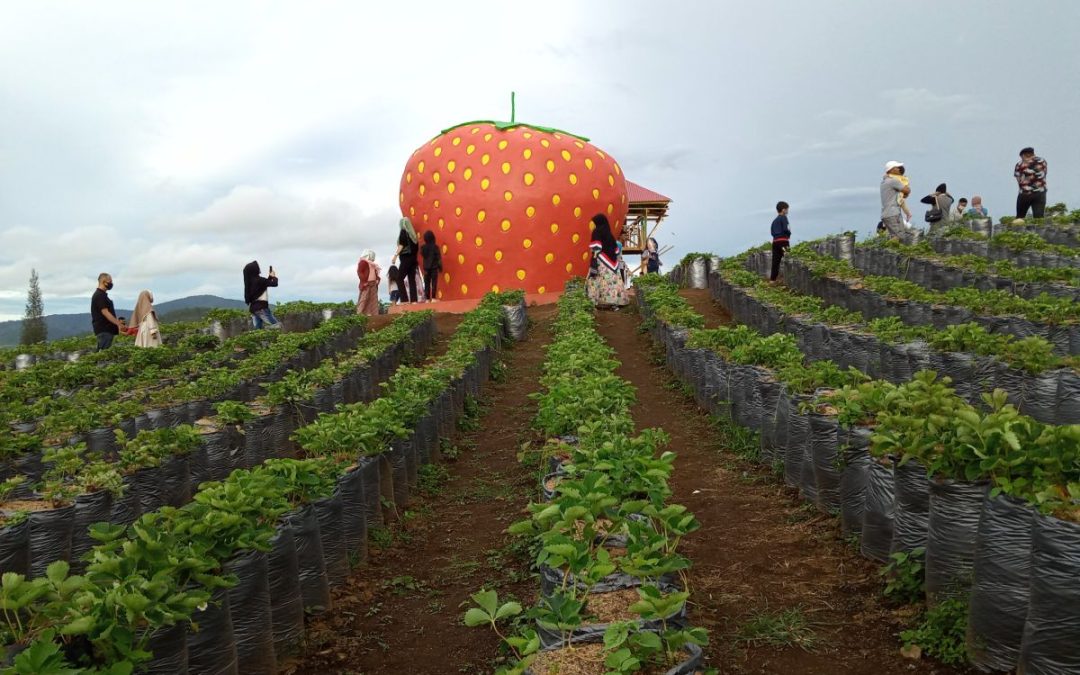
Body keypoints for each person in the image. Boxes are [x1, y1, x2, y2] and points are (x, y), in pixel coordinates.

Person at [585, 214, 628, 309]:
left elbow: (596, 247)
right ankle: (615, 303)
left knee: (595, 279)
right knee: (612, 282)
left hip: (601, 260)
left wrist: (594, 258)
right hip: (613, 263)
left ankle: (594, 301)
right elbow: (617, 251)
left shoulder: (596, 232)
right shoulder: (610, 235)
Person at [90, 273, 125, 351]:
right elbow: (105, 312)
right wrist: (118, 323)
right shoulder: (99, 295)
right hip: (104, 330)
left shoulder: (103, 295)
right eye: (110, 281)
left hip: (107, 330)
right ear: (103, 281)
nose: (111, 283)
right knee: (104, 354)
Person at [243, 261, 280, 329]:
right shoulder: (260, 280)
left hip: (253, 309)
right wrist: (274, 276)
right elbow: (274, 284)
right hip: (262, 308)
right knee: (277, 326)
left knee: (258, 329)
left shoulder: (250, 282)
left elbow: (263, 285)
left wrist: (270, 277)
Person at [880, 161, 912, 241]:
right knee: (899, 237)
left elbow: (901, 197)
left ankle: (889, 252)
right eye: (897, 168)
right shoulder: (893, 181)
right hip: (893, 213)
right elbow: (907, 191)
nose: (899, 169)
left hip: (887, 214)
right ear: (891, 169)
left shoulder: (884, 182)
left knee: (895, 237)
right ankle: (887, 250)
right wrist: (906, 184)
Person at [391, 217, 419, 303]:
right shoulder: (414, 236)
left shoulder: (403, 232)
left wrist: (395, 256)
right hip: (413, 260)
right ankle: (414, 301)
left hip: (406, 258)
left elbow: (401, 245)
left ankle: (404, 300)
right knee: (411, 280)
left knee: (399, 278)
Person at [1014, 147, 1047, 219]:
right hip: (1040, 193)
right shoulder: (1043, 161)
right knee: (1039, 218)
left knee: (1020, 217)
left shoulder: (1020, 165)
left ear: (1023, 155)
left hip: (1025, 194)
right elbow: (1044, 173)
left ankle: (1017, 230)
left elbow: (1018, 180)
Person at [770, 201, 791, 282]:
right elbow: (787, 229)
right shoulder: (784, 218)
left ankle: (772, 281)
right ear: (783, 210)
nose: (788, 211)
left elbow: (772, 232)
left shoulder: (774, 221)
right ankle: (789, 280)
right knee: (788, 258)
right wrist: (788, 235)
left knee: (775, 262)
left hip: (775, 242)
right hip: (783, 242)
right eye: (787, 209)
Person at [356, 249, 381, 316]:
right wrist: (364, 281)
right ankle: (360, 314)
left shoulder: (373, 265)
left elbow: (376, 274)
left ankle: (373, 314)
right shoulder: (363, 262)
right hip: (366, 284)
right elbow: (359, 272)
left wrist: (377, 280)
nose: (373, 258)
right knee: (364, 299)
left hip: (373, 284)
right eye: (372, 256)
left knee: (373, 300)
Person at [420, 231, 442, 302]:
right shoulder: (435, 247)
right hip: (434, 267)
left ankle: (427, 299)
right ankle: (433, 298)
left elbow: (423, 255)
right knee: (434, 283)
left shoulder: (423, 248)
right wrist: (440, 267)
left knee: (427, 283)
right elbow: (438, 258)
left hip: (426, 268)